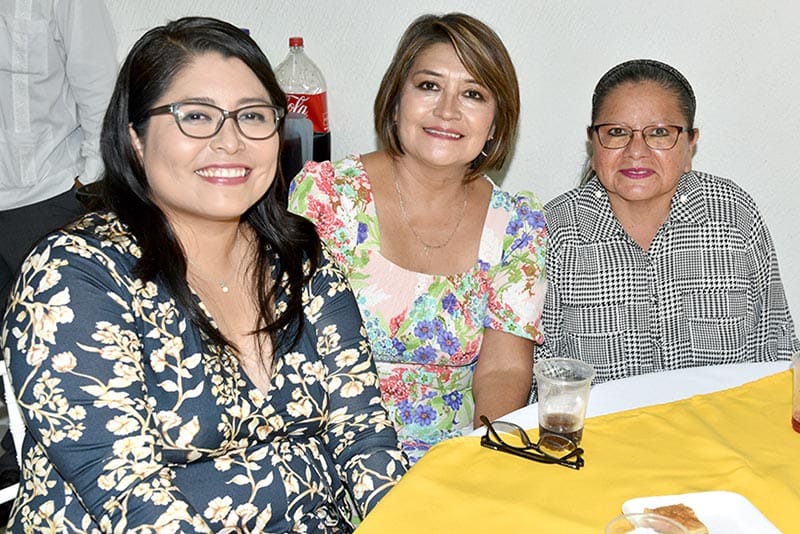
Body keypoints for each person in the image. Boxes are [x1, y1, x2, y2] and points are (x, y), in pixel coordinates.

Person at [0, 16, 406, 532]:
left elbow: (364, 440)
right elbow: (131, 501)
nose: (230, 141)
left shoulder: (301, 262)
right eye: (195, 116)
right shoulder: (75, 277)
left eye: (252, 116)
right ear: (136, 137)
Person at [289, 13, 547, 463]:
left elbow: (504, 369)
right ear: (396, 100)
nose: (447, 110)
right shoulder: (327, 196)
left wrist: (484, 463)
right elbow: (288, 349)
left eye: (473, 94)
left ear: (495, 123)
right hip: (327, 451)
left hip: (453, 458)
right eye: (429, 86)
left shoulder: (517, 224)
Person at [539, 58, 799, 387]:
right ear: (593, 142)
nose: (636, 151)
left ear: (690, 144)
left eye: (659, 133)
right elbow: (541, 379)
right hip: (606, 421)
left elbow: (775, 349)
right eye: (616, 132)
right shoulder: (555, 231)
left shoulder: (732, 215)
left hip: (725, 418)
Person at [0, 0, 118, 524]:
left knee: (56, 359)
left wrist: (88, 182)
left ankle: (49, 485)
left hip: (46, 198)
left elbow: (99, 85)